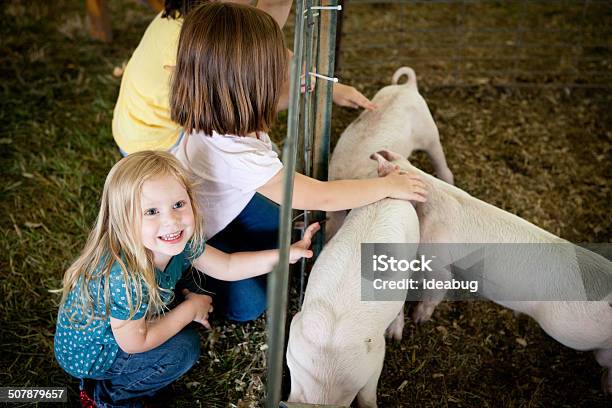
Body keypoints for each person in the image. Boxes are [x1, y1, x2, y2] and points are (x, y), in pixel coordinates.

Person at [168, 2, 428, 322]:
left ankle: (229, 257)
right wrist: (387, 185)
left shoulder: (211, 106)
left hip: (213, 212)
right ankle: (189, 290)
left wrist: (321, 88)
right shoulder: (237, 154)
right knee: (250, 304)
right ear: (250, 86)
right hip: (189, 242)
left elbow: (271, 99)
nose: (290, 61)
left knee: (278, 222)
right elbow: (323, 196)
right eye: (279, 63)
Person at [54, 151, 318, 407]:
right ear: (124, 220)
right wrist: (191, 308)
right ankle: (107, 396)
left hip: (129, 326)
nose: (172, 220)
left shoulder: (179, 241)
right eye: (151, 212)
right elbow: (135, 343)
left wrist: (287, 254)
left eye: (178, 205)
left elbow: (227, 265)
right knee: (183, 349)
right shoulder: (125, 278)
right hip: (97, 354)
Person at [112, 0, 374, 155]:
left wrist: (325, 86)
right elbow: (231, 115)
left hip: (155, 122)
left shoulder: (199, 19)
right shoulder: (189, 43)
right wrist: (297, 92)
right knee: (244, 124)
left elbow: (264, 44)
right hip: (157, 145)